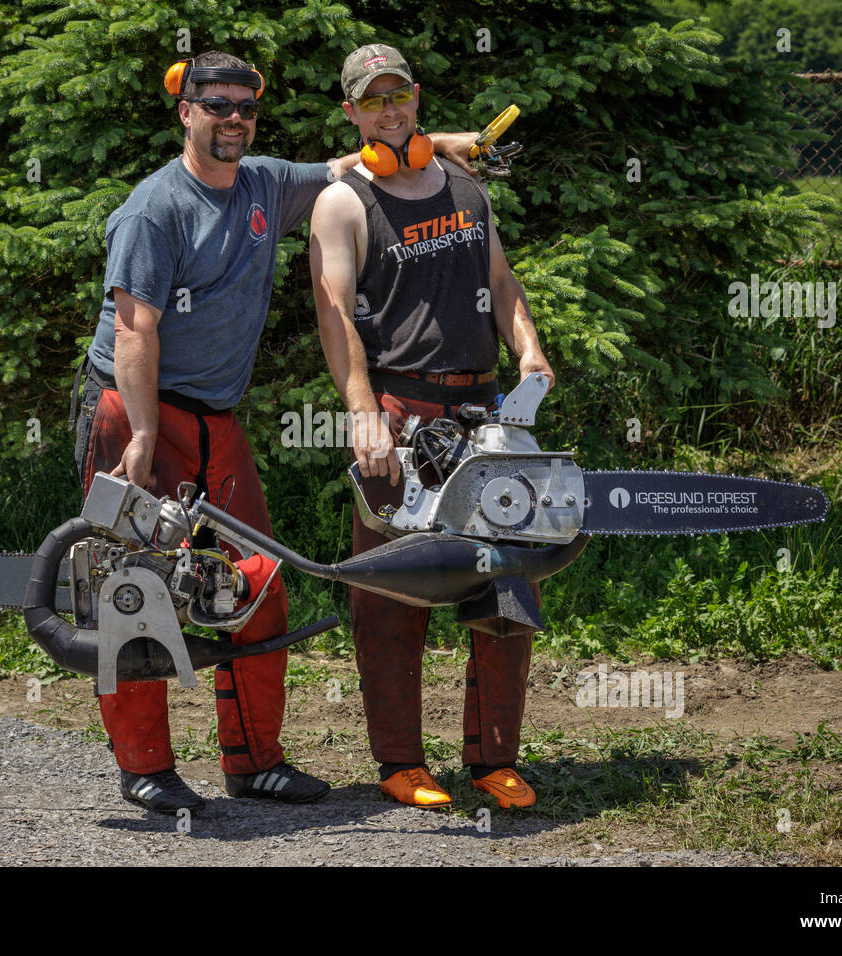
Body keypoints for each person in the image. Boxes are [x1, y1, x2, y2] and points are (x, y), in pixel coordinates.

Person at [73, 51, 481, 815]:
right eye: (216, 105)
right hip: (135, 410)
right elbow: (135, 331)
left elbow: (351, 159)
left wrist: (443, 142)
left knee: (256, 582)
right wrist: (139, 438)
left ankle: (253, 763)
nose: (232, 119)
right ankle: (145, 768)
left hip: (216, 419)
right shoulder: (153, 209)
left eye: (244, 108)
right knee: (134, 588)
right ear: (184, 111)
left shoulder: (264, 182)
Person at [309, 44, 557, 810]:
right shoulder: (344, 201)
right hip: (399, 411)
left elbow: (501, 280)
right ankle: (401, 762)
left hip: (482, 409)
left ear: (417, 98)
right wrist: (362, 414)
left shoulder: (462, 185)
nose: (391, 110)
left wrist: (532, 351)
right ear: (352, 112)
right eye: (372, 101)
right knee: (391, 597)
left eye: (400, 96)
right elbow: (334, 313)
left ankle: (494, 761)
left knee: (505, 582)